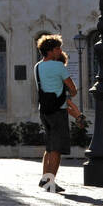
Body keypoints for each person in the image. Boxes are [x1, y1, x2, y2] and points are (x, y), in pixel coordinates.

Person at [34, 33, 76, 193]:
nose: (60, 51)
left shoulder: (37, 66)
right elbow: (72, 88)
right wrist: (70, 94)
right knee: (57, 149)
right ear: (50, 51)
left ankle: (45, 178)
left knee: (50, 146)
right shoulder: (59, 66)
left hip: (44, 110)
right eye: (58, 48)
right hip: (58, 111)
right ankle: (50, 182)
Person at [57, 50, 85, 122]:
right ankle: (78, 116)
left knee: (68, 103)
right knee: (67, 106)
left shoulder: (59, 69)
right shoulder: (62, 68)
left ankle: (79, 115)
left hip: (63, 92)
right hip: (66, 91)